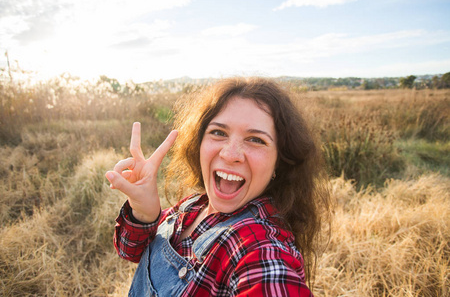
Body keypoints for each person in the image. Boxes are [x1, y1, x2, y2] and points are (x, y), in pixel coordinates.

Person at [106, 77, 331, 296]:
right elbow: (131, 250)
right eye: (218, 133)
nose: (230, 154)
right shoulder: (193, 206)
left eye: (256, 139)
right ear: (199, 143)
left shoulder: (260, 247)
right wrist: (144, 213)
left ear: (278, 163)